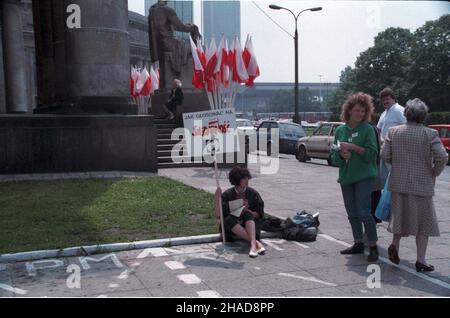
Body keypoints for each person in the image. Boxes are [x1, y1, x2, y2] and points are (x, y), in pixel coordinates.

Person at [380, 98, 448, 272]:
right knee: (423, 223)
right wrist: (434, 172)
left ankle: (395, 244)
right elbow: (442, 156)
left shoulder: (394, 132)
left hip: (399, 183)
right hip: (422, 185)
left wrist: (397, 165)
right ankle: (421, 260)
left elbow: (385, 155)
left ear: (406, 114)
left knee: (399, 217)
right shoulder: (430, 134)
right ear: (423, 115)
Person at [331, 92, 379, 262]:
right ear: (349, 111)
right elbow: (334, 155)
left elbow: (372, 154)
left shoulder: (368, 129)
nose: (360, 114)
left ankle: (372, 245)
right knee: (352, 213)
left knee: (364, 212)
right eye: (357, 110)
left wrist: (354, 147)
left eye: (363, 111)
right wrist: (342, 155)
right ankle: (358, 242)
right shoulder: (340, 130)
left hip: (364, 176)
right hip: (346, 177)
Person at [214, 166, 266, 258]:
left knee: (247, 214)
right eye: (243, 178)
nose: (246, 180)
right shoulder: (228, 194)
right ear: (237, 180)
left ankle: (253, 245)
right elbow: (220, 215)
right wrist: (217, 199)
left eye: (247, 178)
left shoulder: (253, 193)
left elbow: (259, 213)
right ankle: (255, 242)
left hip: (249, 224)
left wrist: (247, 210)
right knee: (228, 219)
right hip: (234, 227)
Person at [148, 0, 201, 89]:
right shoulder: (167, 10)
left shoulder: (152, 11)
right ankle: (187, 85)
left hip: (161, 44)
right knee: (193, 48)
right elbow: (180, 26)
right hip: (169, 43)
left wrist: (187, 26)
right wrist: (193, 28)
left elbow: (172, 26)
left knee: (188, 46)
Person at [377, 87, 407, 187]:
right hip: (384, 150)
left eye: (387, 99)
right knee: (385, 181)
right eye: (383, 100)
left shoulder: (399, 110)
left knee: (395, 180)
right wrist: (380, 139)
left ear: (393, 98)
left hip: (396, 151)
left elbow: (407, 127)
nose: (385, 101)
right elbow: (378, 130)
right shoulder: (383, 113)